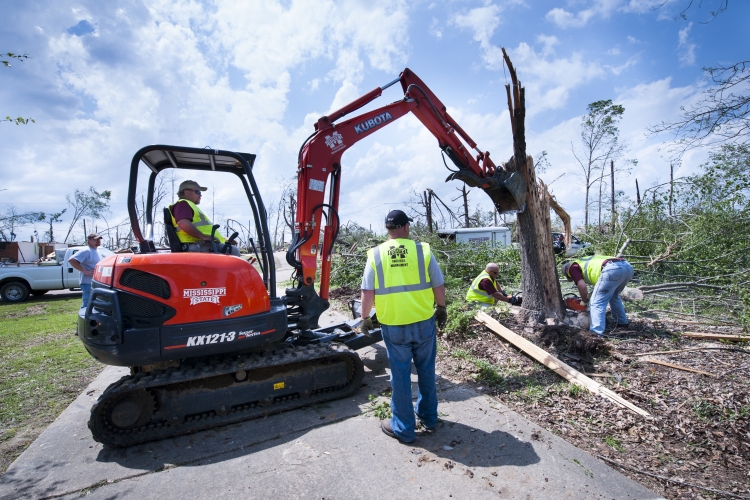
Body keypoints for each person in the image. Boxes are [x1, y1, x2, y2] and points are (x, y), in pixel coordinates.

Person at [360, 209, 447, 444]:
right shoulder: (422, 250)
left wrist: (365, 317)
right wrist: (441, 308)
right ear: (406, 227)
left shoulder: (376, 254)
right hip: (423, 322)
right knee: (426, 370)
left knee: (400, 375)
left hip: (394, 325)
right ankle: (428, 418)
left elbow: (368, 291)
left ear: (388, 229)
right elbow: (438, 283)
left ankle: (404, 428)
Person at [561, 255, 634, 336]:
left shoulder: (572, 267)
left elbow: (582, 286)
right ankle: (622, 323)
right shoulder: (584, 260)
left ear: (567, 269)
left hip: (611, 269)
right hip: (627, 267)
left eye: (570, 276)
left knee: (596, 302)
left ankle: (595, 334)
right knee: (614, 296)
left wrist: (584, 301)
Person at [169, 180, 240, 256]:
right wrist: (203, 237)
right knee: (233, 251)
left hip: (202, 244)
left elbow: (204, 230)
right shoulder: (182, 204)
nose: (200, 195)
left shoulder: (189, 206)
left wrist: (224, 239)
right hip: (196, 245)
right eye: (198, 192)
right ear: (187, 192)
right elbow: (182, 222)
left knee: (231, 250)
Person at [68, 233, 103, 309]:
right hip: (87, 283)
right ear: (89, 241)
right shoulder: (86, 251)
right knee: (87, 305)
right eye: (95, 239)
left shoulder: (97, 251)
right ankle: (84, 319)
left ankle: (92, 320)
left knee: (94, 305)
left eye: (99, 239)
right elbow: (71, 260)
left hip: (94, 282)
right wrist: (85, 271)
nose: (98, 241)